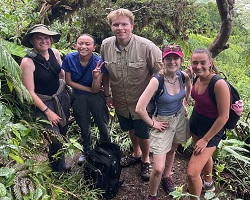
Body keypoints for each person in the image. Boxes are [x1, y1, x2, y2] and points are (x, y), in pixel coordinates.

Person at [100, 8, 162, 181]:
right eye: (116, 24)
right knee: (129, 128)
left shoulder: (147, 46)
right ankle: (136, 152)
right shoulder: (106, 45)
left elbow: (161, 74)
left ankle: (145, 160)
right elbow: (105, 72)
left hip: (141, 101)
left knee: (143, 132)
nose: (120, 28)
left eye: (124, 24)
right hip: (120, 99)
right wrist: (107, 94)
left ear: (132, 26)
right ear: (111, 27)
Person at [136, 44, 191, 199]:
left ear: (181, 60)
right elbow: (139, 108)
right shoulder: (157, 80)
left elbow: (188, 88)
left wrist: (184, 104)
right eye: (168, 58)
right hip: (162, 122)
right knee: (157, 168)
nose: (172, 62)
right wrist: (153, 124)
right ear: (163, 60)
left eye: (175, 58)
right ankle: (152, 195)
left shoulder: (182, 76)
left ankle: (167, 177)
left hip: (179, 119)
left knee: (172, 150)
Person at [20, 24, 70, 173]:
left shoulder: (54, 52)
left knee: (63, 131)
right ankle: (57, 170)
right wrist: (47, 111)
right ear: (32, 41)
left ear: (51, 39)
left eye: (46, 38)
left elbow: (61, 74)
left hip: (60, 98)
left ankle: (59, 164)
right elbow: (30, 92)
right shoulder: (27, 62)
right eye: (39, 38)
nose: (43, 41)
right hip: (43, 103)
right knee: (54, 137)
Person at [187, 48, 230, 199]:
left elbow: (224, 117)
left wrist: (205, 139)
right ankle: (208, 182)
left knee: (192, 174)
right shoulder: (195, 77)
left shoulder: (218, 84)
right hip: (196, 121)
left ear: (210, 63)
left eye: (202, 62)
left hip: (212, 128)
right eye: (195, 63)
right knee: (204, 156)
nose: (198, 66)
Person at [62, 33, 110, 165]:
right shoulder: (69, 59)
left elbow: (96, 89)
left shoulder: (99, 62)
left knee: (103, 124)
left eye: (87, 44)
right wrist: (89, 89)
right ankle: (86, 150)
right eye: (80, 43)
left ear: (94, 47)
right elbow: (69, 81)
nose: (83, 46)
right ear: (75, 45)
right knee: (84, 126)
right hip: (79, 96)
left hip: (97, 98)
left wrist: (95, 78)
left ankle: (106, 149)